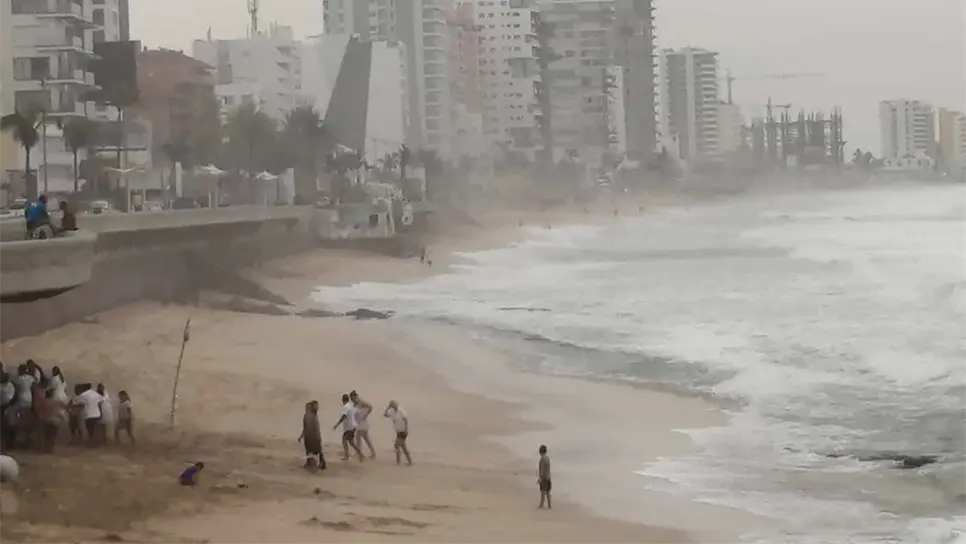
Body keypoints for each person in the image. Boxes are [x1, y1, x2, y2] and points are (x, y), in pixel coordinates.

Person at [332, 393, 364, 462]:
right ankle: (354, 455)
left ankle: (357, 455)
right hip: (352, 426)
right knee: (350, 442)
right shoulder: (351, 406)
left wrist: (337, 425)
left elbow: (343, 416)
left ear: (343, 400)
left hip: (349, 427)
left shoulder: (346, 407)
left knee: (346, 441)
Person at [298, 401, 324, 470]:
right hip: (310, 437)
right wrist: (301, 436)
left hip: (313, 437)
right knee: (310, 451)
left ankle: (315, 464)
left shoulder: (312, 416)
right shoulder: (310, 416)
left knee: (314, 451)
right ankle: (310, 463)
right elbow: (306, 428)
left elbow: (313, 428)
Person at [383, 400, 411, 466]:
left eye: (393, 404)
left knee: (396, 445)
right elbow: (385, 415)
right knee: (403, 448)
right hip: (398, 431)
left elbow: (405, 420)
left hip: (403, 431)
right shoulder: (392, 411)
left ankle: (398, 461)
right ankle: (409, 461)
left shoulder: (401, 411)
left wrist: (406, 429)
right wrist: (388, 407)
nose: (393, 406)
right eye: (392, 405)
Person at [349, 391, 375, 459]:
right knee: (366, 439)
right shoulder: (355, 404)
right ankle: (373, 453)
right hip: (360, 424)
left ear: (355, 397)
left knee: (358, 438)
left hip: (362, 424)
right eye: (351, 399)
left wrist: (366, 414)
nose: (352, 400)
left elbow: (370, 406)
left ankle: (359, 453)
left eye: (352, 398)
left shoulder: (361, 402)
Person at [537, 445, 552, 509]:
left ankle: (541, 504)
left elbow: (542, 470)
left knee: (543, 491)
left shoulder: (542, 459)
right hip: (548, 477)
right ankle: (549, 505)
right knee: (548, 492)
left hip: (544, 478)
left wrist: (540, 478)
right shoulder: (547, 458)